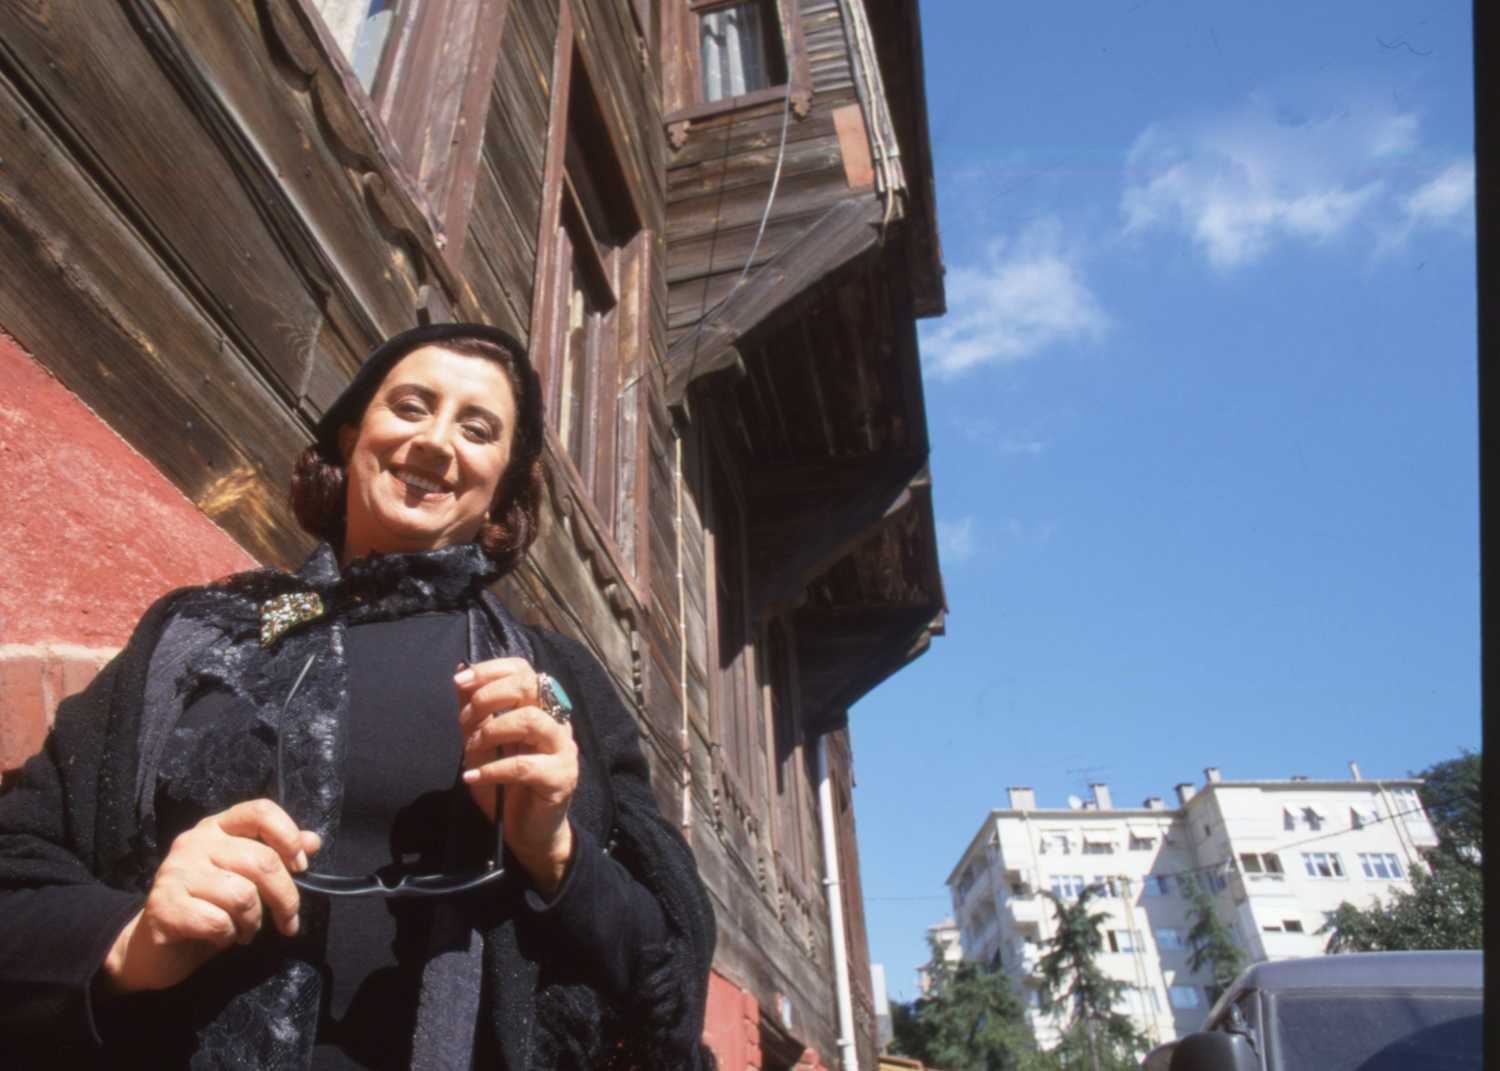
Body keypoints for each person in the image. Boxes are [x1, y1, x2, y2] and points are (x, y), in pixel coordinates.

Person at [0, 323, 716, 1070]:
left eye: (477, 429)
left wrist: (555, 849)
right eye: (411, 406)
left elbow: (669, 977)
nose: (436, 441)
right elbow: (15, 875)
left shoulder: (558, 683)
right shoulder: (197, 637)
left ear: (503, 490)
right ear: (350, 439)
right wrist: (131, 940)